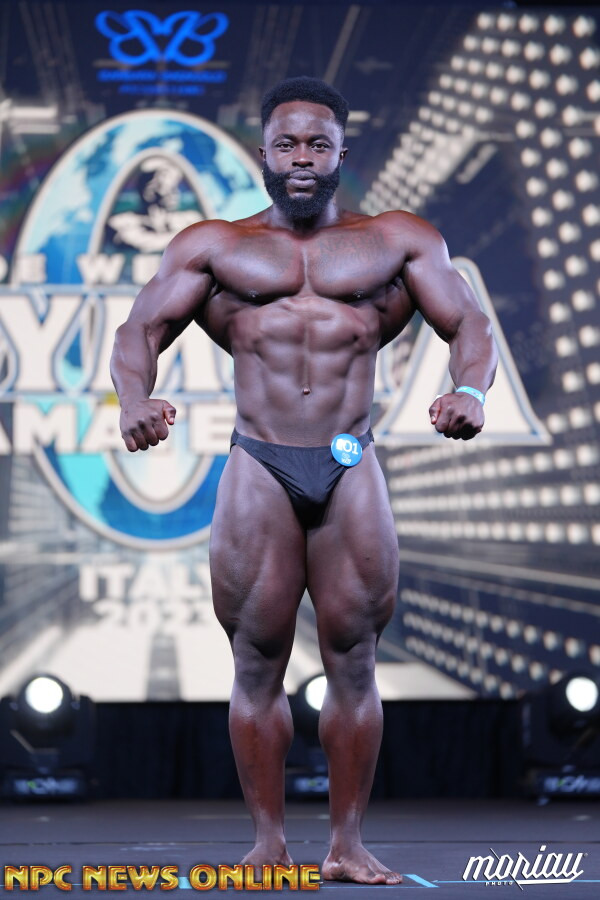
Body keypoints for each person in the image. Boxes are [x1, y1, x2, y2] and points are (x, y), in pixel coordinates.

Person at [111, 76, 498, 885]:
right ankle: (268, 844)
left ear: (341, 154)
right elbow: (140, 329)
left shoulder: (396, 240)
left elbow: (467, 322)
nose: (301, 157)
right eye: (286, 143)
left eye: (317, 144)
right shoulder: (215, 245)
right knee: (256, 662)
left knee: (354, 658)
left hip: (350, 460)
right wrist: (136, 399)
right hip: (260, 460)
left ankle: (347, 845)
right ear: (263, 152)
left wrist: (469, 387)